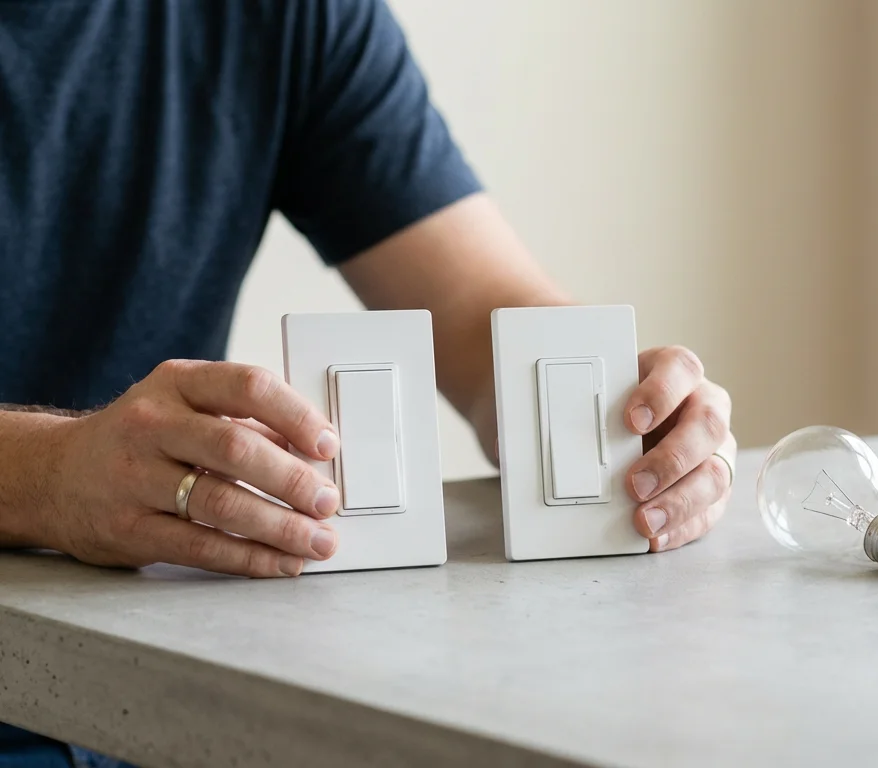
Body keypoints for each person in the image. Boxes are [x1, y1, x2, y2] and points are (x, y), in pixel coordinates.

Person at [0, 1, 736, 764]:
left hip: (148, 696)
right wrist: (45, 475)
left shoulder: (290, 19)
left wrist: (622, 409)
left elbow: (477, 315)